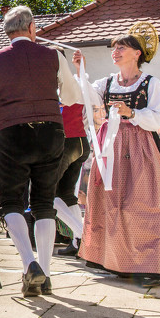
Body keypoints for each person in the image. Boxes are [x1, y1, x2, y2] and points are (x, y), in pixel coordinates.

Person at [0, 5, 81, 298]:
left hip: (13, 133)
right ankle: (44, 275)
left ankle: (29, 263)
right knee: (44, 202)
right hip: (51, 133)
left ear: (8, 32)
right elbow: (71, 96)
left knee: (10, 202)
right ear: (32, 28)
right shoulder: (53, 55)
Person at [73, 30, 160, 287]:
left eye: (121, 48)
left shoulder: (150, 83)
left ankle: (150, 267)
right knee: (112, 206)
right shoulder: (107, 83)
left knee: (141, 206)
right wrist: (80, 70)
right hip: (111, 147)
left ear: (137, 53)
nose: (115, 52)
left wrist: (132, 112)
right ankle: (118, 263)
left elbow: (158, 119)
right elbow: (88, 98)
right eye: (114, 48)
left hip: (142, 149)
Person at [53, 103, 90, 256]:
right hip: (81, 141)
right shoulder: (77, 86)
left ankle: (82, 235)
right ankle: (77, 242)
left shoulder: (51, 87)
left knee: (46, 194)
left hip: (64, 142)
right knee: (66, 194)